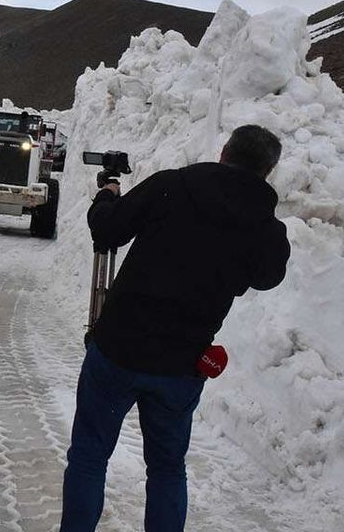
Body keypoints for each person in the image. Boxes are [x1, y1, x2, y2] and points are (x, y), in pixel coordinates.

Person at [58, 125, 291, 532]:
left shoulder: (173, 186)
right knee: (166, 470)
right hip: (180, 367)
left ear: (223, 152)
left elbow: (108, 230)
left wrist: (106, 196)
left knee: (90, 457)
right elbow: (269, 276)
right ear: (268, 172)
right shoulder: (264, 227)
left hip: (118, 351)